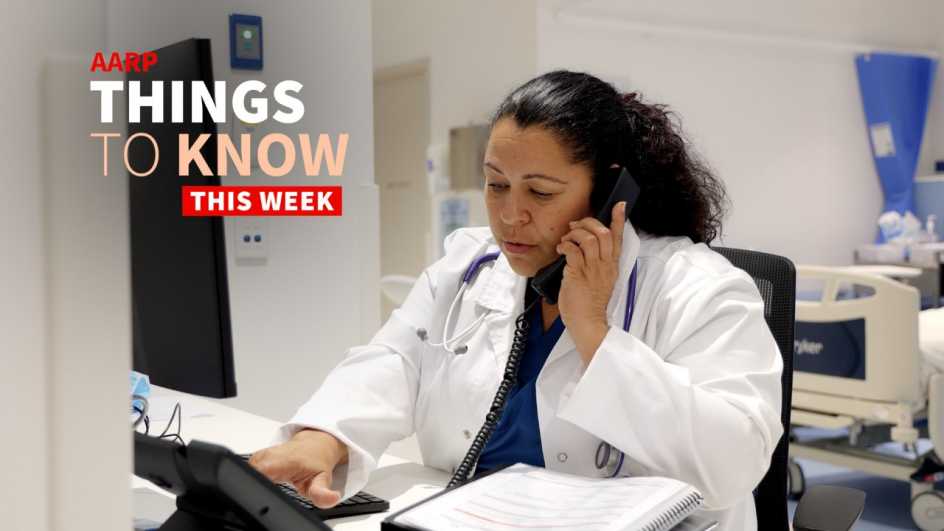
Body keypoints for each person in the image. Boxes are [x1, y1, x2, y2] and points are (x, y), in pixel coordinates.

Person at [250, 70, 783, 530]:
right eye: (496, 184)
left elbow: (733, 464)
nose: (509, 216)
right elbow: (394, 360)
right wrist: (323, 438)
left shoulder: (699, 289)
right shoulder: (469, 265)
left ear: (609, 193)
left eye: (541, 192)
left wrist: (594, 333)